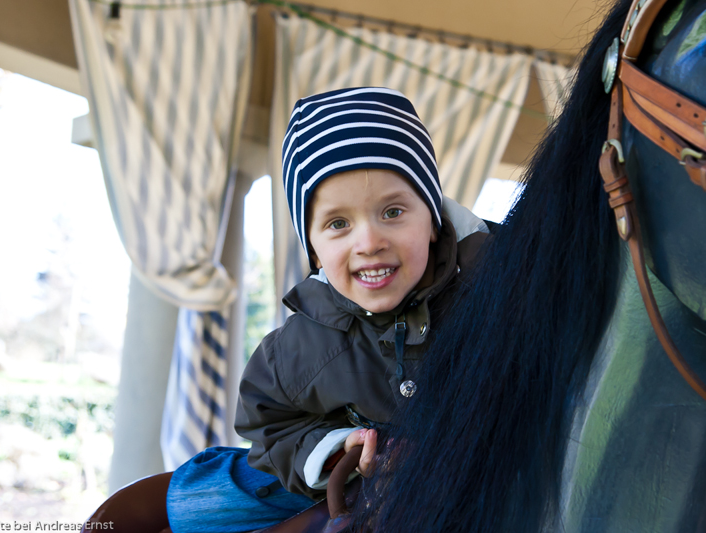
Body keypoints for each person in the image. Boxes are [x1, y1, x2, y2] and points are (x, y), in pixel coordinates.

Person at [166, 87, 490, 532]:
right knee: (192, 505)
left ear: (433, 219)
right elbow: (268, 423)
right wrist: (338, 449)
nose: (369, 242)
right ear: (314, 250)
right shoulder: (303, 344)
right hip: (364, 474)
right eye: (338, 224)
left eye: (393, 212)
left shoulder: (499, 286)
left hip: (489, 464)